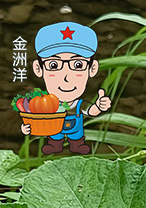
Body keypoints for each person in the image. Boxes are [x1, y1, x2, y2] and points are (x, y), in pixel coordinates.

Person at [20, 22, 110, 155]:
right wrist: (27, 128)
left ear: (92, 68)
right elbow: (37, 121)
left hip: (75, 130)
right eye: (54, 65)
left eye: (78, 65)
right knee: (55, 136)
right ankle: (54, 145)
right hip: (55, 131)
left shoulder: (79, 103)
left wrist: (99, 106)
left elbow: (90, 111)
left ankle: (77, 145)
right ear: (38, 69)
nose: (66, 77)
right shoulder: (44, 104)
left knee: (76, 136)